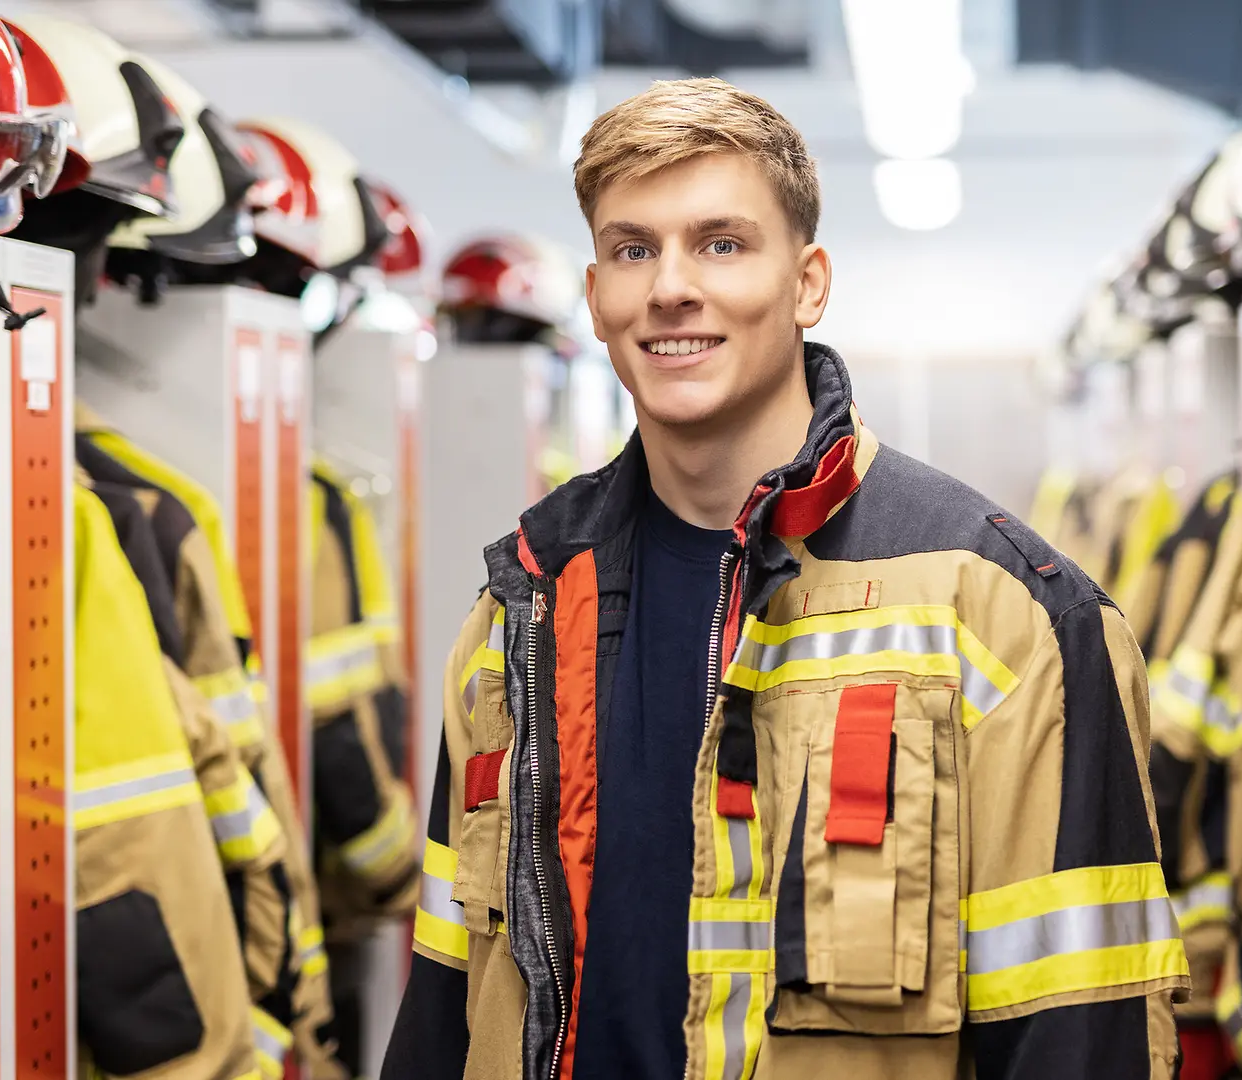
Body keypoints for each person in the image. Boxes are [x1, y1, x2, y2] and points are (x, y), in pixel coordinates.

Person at [382, 77, 1187, 1080]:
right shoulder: (521, 610)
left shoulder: (1003, 614)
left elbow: (1082, 1037)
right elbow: (445, 1000)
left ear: (808, 283)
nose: (672, 287)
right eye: (634, 249)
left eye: (721, 243)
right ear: (597, 299)